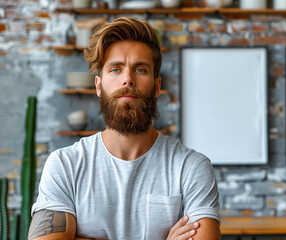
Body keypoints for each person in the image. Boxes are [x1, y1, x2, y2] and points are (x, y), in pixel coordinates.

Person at [27, 17, 220, 240]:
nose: (127, 79)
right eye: (116, 69)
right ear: (99, 86)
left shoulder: (190, 168)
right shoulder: (65, 165)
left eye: (140, 69)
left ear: (157, 86)